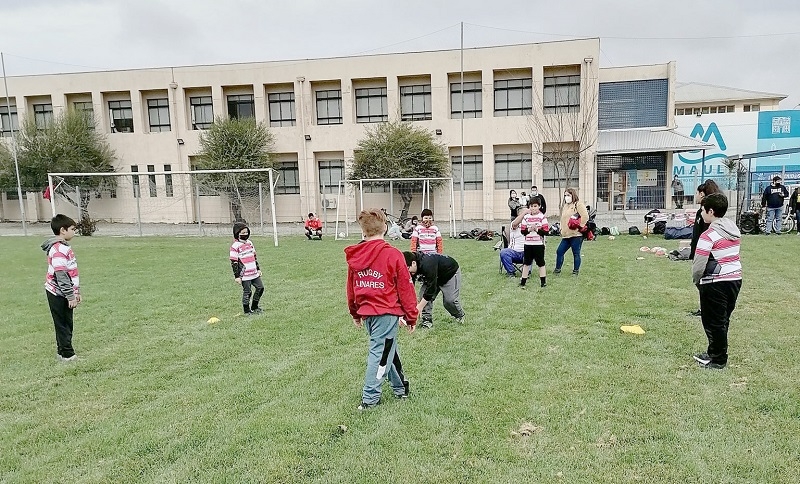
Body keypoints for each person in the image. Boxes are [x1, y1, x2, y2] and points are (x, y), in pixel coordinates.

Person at [346, 208, 418, 410]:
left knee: (387, 349)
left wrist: (355, 312)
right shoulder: (393, 254)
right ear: (385, 228)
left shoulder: (357, 255)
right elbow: (406, 288)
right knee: (379, 354)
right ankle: (370, 399)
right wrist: (412, 316)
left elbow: (351, 288)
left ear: (363, 231)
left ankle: (400, 388)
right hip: (385, 314)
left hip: (369, 314)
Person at [691, 193, 742, 370]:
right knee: (723, 319)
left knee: (713, 322)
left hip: (715, 282)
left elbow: (699, 264)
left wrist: (697, 280)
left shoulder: (709, 235)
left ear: (710, 211)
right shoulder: (733, 230)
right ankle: (714, 352)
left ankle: (719, 359)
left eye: (703, 210)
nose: (701, 214)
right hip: (735, 279)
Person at [42, 214, 81, 362]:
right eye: (72, 229)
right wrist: (70, 296)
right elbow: (62, 276)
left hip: (65, 292)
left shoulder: (64, 247)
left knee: (66, 323)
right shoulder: (58, 249)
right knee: (63, 324)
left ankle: (61, 352)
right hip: (57, 293)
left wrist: (77, 292)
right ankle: (68, 355)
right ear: (63, 230)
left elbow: (72, 272)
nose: (74, 232)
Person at [403, 251, 465, 328]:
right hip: (433, 276)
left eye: (408, 268)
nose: (407, 272)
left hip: (449, 274)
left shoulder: (427, 264)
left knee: (449, 301)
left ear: (413, 263)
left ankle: (459, 315)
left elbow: (431, 289)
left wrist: (419, 307)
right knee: (423, 296)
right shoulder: (411, 269)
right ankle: (427, 321)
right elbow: (409, 288)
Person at [688, 180, 720, 316]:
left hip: (705, 252)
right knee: (700, 281)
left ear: (702, 194)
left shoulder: (706, 215)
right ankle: (705, 307)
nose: (695, 195)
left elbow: (704, 234)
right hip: (698, 251)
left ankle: (706, 308)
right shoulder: (701, 213)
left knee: (702, 280)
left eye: (697, 192)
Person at [512, 198, 549, 288]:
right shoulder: (526, 217)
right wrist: (529, 230)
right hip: (528, 244)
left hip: (538, 244)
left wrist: (537, 229)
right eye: (531, 206)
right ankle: (523, 281)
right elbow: (523, 231)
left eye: (535, 206)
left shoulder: (542, 217)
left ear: (539, 206)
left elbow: (546, 231)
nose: (533, 208)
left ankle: (543, 282)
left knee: (541, 263)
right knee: (526, 263)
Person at [230, 222, 264, 315]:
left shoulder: (250, 243)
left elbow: (254, 256)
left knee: (260, 288)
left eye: (246, 232)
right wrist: (237, 276)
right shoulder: (235, 246)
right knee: (247, 292)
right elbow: (234, 262)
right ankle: (246, 310)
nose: (245, 234)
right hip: (244, 275)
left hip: (254, 272)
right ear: (237, 233)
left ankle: (255, 306)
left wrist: (258, 269)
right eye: (243, 233)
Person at [554, 188, 590, 276]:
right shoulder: (565, 206)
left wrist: (579, 226)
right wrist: (561, 228)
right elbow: (563, 219)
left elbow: (585, 216)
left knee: (576, 253)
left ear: (573, 195)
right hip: (566, 235)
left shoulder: (578, 204)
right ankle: (557, 270)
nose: (566, 197)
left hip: (576, 235)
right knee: (559, 251)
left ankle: (575, 271)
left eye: (568, 195)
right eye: (565, 195)